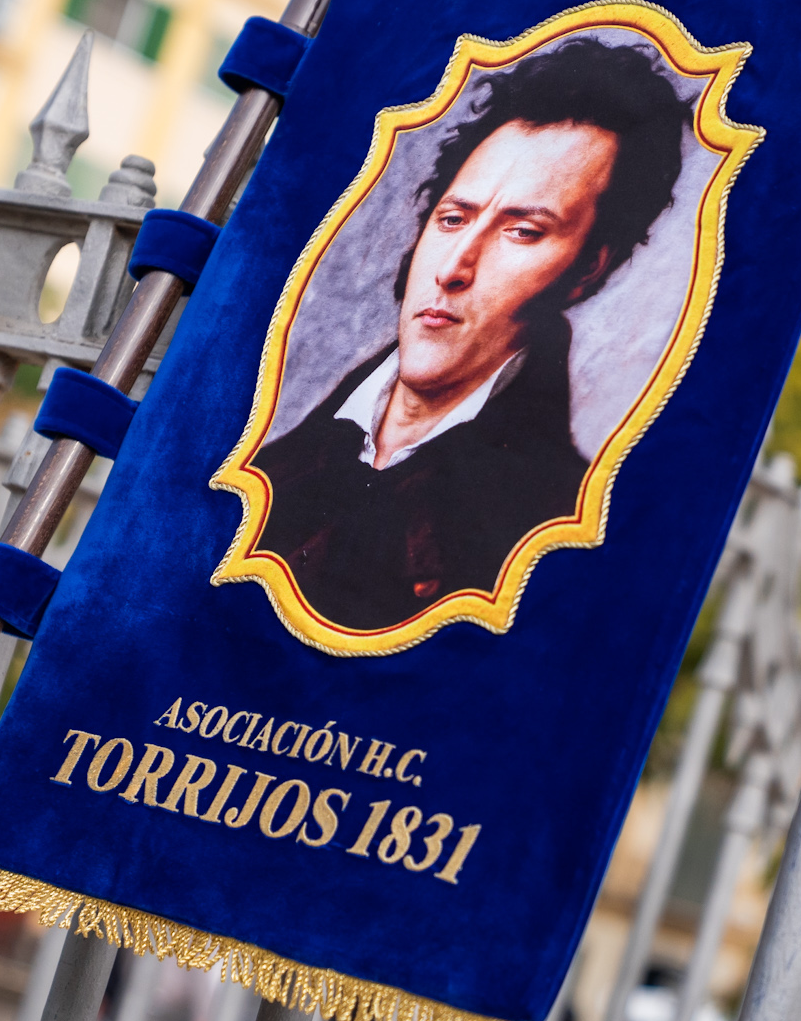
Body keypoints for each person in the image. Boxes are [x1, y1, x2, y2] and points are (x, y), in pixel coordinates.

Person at [250, 37, 690, 633]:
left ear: (588, 268)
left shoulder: (550, 528)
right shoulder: (283, 454)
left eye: (523, 232)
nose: (454, 267)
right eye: (453, 218)